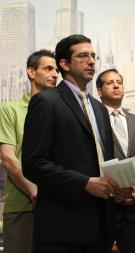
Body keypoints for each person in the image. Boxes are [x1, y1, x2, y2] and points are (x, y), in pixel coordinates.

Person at [22, 34, 119, 253]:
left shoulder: (100, 108)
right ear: (64, 64)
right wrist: (85, 183)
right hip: (62, 229)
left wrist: (119, 186)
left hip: (101, 228)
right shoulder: (46, 102)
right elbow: (33, 164)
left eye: (94, 56)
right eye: (83, 56)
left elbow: (104, 160)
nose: (92, 61)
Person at [0, 49, 58, 253]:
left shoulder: (61, 111)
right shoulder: (11, 110)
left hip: (58, 208)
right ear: (31, 73)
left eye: (57, 70)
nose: (55, 74)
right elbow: (8, 159)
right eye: (48, 68)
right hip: (22, 206)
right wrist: (34, 193)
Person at [96, 69, 135, 253]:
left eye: (119, 82)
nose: (116, 85)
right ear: (99, 90)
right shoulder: (92, 121)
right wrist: (114, 192)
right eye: (110, 82)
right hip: (102, 209)